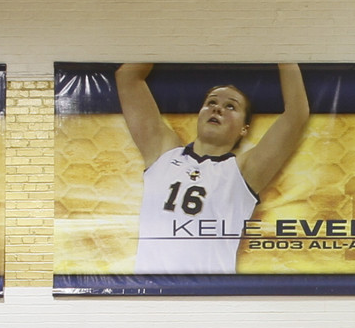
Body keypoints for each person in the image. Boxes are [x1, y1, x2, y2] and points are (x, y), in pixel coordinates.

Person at [115, 63, 311, 273]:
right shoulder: (163, 153)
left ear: (245, 128)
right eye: (211, 102)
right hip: (151, 296)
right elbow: (128, 78)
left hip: (209, 298)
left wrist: (284, 50)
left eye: (231, 106)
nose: (217, 108)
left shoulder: (243, 171)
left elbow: (296, 115)